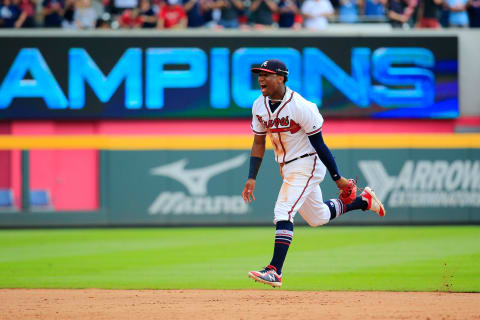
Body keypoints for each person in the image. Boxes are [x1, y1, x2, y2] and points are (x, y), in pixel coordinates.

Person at [242, 59, 386, 288]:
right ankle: (363, 202)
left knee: (283, 210)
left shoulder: (301, 106)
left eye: (266, 74)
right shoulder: (259, 106)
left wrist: (337, 178)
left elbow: (320, 144)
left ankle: (274, 270)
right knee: (317, 217)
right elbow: (258, 143)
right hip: (287, 167)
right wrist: (252, 176)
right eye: (259, 74)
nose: (260, 78)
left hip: (307, 164)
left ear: (281, 78)